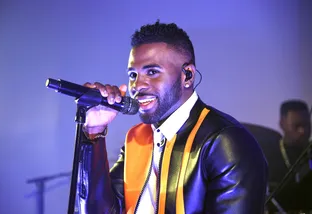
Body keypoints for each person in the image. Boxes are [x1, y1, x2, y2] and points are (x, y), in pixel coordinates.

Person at [76, 21, 268, 214]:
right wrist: (94, 131)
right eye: (133, 74)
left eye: (152, 72)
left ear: (187, 75)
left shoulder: (225, 142)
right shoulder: (137, 138)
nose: (137, 85)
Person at [265, 99, 311, 212]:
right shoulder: (268, 155)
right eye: (296, 126)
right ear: (282, 124)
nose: (302, 131)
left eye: (306, 125)